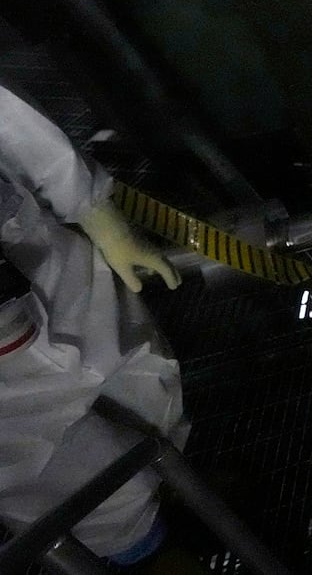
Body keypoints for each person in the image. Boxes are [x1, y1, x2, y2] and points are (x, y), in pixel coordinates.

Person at [0, 83, 190, 568]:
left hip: (24, 248)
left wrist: (94, 210)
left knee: (146, 384)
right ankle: (151, 552)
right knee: (79, 487)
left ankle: (183, 496)